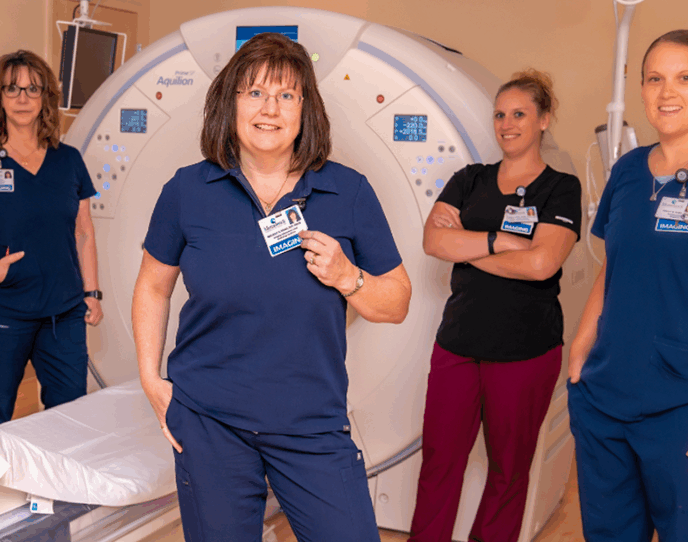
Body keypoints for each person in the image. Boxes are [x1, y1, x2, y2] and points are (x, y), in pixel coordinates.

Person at [132, 33, 411, 542]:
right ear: (229, 103)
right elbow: (153, 285)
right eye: (254, 92)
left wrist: (348, 277)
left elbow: (396, 303)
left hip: (311, 424)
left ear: (306, 109)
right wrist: (151, 380)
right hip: (209, 421)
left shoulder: (347, 192)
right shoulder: (188, 191)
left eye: (286, 95)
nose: (270, 108)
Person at [409, 69, 581, 542]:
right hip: (458, 344)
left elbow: (543, 265)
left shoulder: (560, 187)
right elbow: (432, 241)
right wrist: (498, 241)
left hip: (525, 350)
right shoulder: (470, 180)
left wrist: (466, 246)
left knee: (508, 473)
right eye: (500, 114)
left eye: (520, 114)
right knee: (440, 462)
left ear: (544, 119)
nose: (507, 124)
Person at [568, 30, 688, 542]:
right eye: (655, 79)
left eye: (684, 78)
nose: (667, 93)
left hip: (677, 402)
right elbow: (611, 265)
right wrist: (580, 347)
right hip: (604, 394)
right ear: (639, 89)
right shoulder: (627, 171)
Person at [0, 50, 102, 424]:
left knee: (70, 420)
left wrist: (91, 293)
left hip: (64, 312)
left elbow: (84, 231)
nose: (22, 98)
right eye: (11, 89)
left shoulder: (68, 159)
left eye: (32, 89)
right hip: (6, 312)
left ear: (45, 98)